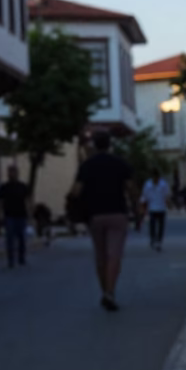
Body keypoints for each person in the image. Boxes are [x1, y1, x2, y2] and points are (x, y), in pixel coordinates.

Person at [72, 131, 137, 311]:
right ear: (109, 145)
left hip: (95, 215)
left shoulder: (86, 166)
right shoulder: (120, 164)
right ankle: (110, 291)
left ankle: (105, 291)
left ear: (94, 144)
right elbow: (131, 189)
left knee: (100, 255)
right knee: (114, 254)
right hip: (118, 213)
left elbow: (76, 191)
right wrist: (137, 208)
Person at [0, 165, 30, 268]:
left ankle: (21, 257)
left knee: (22, 238)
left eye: (14, 172)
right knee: (10, 238)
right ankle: (10, 260)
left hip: (21, 214)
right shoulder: (4, 187)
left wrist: (30, 213)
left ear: (17, 173)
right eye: (10, 172)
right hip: (9, 215)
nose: (12, 174)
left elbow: (28, 200)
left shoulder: (22, 186)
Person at [141, 167, 172, 251]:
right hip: (152, 208)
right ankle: (153, 239)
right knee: (152, 225)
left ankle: (159, 240)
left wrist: (168, 204)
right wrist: (143, 207)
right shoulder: (148, 184)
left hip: (161, 208)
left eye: (157, 177)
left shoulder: (163, 184)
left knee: (161, 226)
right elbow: (144, 196)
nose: (155, 179)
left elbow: (167, 195)